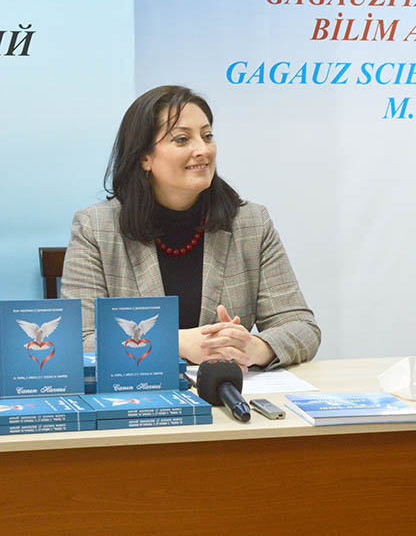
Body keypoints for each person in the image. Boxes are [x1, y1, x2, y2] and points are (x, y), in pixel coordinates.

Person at [61, 85, 320, 369]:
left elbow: (301, 326)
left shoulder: (250, 223)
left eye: (207, 136)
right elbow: (79, 340)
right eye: (182, 139)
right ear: (144, 157)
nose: (202, 150)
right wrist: (178, 343)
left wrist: (254, 348)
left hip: (227, 390)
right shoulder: (96, 228)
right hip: (142, 392)